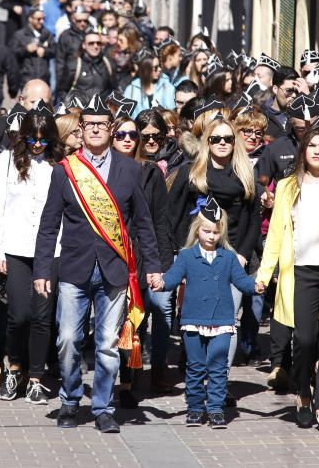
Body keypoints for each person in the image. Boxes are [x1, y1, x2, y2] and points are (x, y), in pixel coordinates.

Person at [33, 94, 163, 432]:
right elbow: (49, 224)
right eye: (89, 125)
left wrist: (152, 265)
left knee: (107, 344)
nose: (95, 130)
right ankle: (70, 399)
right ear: (81, 129)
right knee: (66, 339)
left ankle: (103, 407)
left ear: (111, 129)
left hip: (114, 268)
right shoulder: (66, 171)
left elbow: (144, 222)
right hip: (74, 268)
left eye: (101, 125)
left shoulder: (131, 169)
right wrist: (42, 269)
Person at [254, 125, 319, 432]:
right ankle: (302, 395)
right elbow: (275, 233)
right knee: (303, 339)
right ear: (304, 150)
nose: (316, 150)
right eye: (311, 145)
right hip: (298, 272)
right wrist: (264, 274)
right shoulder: (287, 185)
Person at [169, 114, 263, 386]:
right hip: (196, 255)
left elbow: (253, 219)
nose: (222, 143)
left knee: (228, 321)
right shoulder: (191, 171)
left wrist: (243, 254)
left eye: (228, 139)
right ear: (207, 142)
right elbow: (172, 215)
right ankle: (197, 379)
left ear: (235, 143)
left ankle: (219, 382)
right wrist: (180, 255)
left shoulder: (244, 173)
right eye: (216, 139)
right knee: (196, 318)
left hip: (231, 255)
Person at [155, 198, 256, 429]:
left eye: (216, 232)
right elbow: (171, 279)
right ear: (197, 230)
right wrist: (160, 283)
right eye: (206, 231)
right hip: (192, 319)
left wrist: (256, 286)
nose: (211, 236)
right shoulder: (186, 256)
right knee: (196, 366)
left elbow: (241, 282)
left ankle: (216, 409)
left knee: (218, 366)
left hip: (221, 320)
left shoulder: (229, 258)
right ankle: (195, 408)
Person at [0, 104, 64, 403]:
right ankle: (14, 367)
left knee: (43, 317)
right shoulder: (6, 161)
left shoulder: (58, 164)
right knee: (19, 314)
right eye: (32, 138)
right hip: (16, 248)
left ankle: (35, 376)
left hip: (51, 250)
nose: (36, 144)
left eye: (43, 139)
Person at [111, 114, 175, 401]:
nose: (128, 140)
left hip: (146, 256)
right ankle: (124, 379)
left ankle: (149, 372)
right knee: (125, 320)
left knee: (151, 313)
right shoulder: (102, 171)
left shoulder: (151, 173)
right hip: (114, 254)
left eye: (133, 135)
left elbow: (161, 222)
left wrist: (161, 266)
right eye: (121, 134)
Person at [12, 7, 54, 86]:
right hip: (26, 78)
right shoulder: (20, 35)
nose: (41, 21)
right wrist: (26, 49)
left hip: (43, 79)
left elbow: (55, 50)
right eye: (38, 19)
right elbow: (13, 53)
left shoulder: (47, 33)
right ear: (30, 19)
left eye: (43, 19)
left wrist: (45, 51)